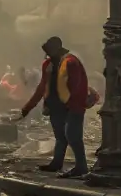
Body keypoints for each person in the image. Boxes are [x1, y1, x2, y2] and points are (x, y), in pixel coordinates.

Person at [20, 36, 90, 178]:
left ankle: (81, 167)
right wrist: (27, 108)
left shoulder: (71, 62)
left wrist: (73, 104)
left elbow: (77, 86)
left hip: (72, 106)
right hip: (55, 106)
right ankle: (57, 164)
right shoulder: (48, 64)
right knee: (60, 137)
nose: (47, 53)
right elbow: (42, 87)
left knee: (73, 136)